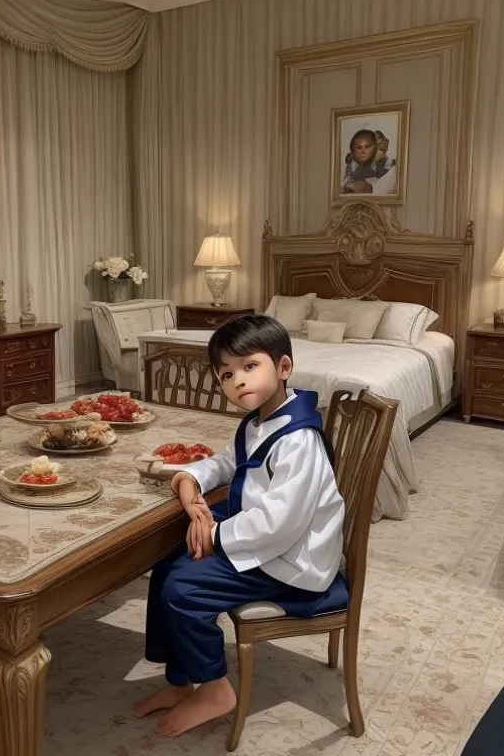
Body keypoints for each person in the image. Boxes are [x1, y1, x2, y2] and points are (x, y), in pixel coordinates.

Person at [132, 314, 347, 738]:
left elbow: (280, 525)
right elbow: (230, 462)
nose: (238, 381)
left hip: (292, 562)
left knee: (185, 588)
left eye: (250, 367)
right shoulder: (261, 420)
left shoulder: (298, 441)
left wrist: (213, 534)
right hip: (268, 544)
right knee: (167, 562)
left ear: (283, 368)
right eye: (227, 374)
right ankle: (180, 681)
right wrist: (191, 477)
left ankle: (215, 690)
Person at [342, 128, 396, 194]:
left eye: (382, 150)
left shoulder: (385, 163)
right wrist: (354, 185)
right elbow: (347, 179)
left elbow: (390, 164)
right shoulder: (356, 160)